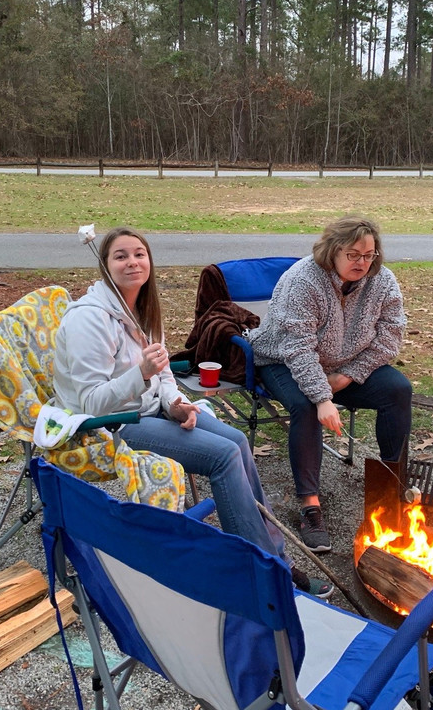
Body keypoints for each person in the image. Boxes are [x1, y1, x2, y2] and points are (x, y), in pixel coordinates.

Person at [53, 226, 332, 597]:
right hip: (110, 426)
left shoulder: (143, 310)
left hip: (150, 412)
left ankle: (272, 555)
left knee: (236, 441)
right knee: (222, 456)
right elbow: (91, 402)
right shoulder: (89, 319)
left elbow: (166, 373)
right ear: (105, 266)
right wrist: (141, 374)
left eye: (139, 254)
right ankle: (257, 568)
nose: (132, 262)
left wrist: (174, 402)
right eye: (121, 256)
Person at [249, 216, 412, 553]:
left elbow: (390, 336)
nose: (363, 263)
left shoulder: (382, 280)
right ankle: (310, 506)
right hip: (282, 359)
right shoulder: (303, 280)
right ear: (333, 250)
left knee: (398, 389)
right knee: (306, 404)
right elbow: (297, 347)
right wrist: (323, 397)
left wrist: (347, 376)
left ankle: (391, 487)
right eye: (354, 255)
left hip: (346, 365)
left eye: (369, 255)